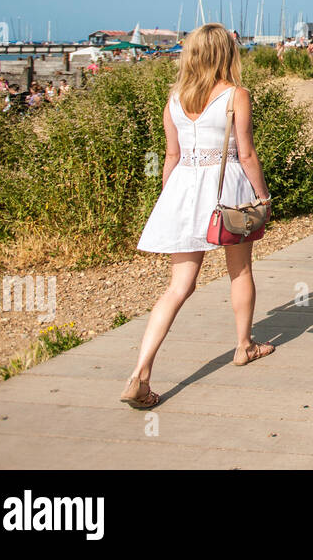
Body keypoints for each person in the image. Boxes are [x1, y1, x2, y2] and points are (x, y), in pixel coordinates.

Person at [121, 23, 274, 409]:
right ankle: (244, 346)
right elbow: (247, 153)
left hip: (183, 190)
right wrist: (263, 195)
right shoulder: (236, 95)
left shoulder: (174, 99)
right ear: (226, 53)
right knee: (239, 270)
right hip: (226, 191)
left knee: (178, 286)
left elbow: (171, 157)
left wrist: (169, 201)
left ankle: (140, 372)